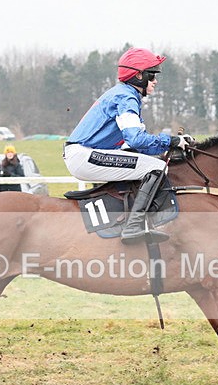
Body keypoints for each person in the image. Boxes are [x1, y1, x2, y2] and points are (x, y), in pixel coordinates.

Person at [63, 47, 193, 244]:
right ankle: (133, 226)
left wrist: (169, 146)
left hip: (86, 153)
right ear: (138, 75)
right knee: (156, 168)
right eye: (152, 75)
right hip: (84, 155)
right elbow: (136, 139)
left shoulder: (124, 93)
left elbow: (139, 145)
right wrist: (171, 141)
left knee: (150, 162)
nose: (155, 80)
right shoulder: (126, 97)